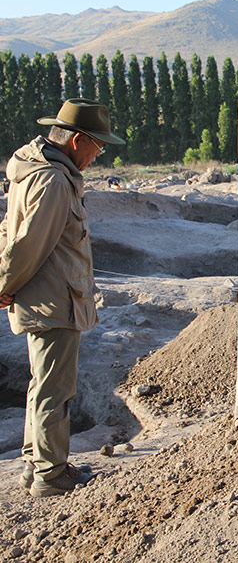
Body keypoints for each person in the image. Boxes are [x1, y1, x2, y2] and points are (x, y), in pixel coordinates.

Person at [0, 98, 125, 497]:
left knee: (42, 385)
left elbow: (10, 229)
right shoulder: (54, 180)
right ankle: (51, 474)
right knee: (55, 388)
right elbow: (27, 242)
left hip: (47, 297)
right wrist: (4, 283)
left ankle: (36, 463)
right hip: (54, 300)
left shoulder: (34, 170)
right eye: (98, 146)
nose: (98, 155)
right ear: (77, 141)